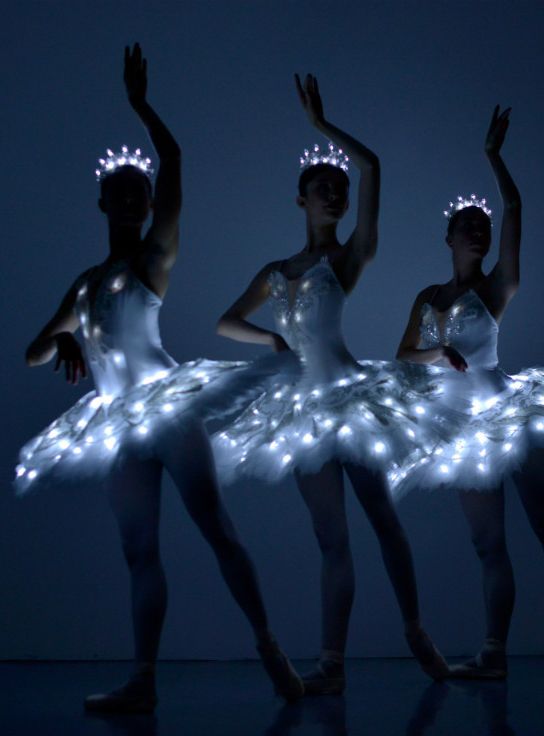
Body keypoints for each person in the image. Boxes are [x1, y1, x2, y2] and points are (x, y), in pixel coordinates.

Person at [18, 44, 303, 711]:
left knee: (214, 526)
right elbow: (33, 350)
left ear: (146, 206)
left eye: (135, 191)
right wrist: (63, 339)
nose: (125, 197)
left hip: (166, 409)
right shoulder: (84, 285)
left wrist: (143, 108)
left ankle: (271, 650)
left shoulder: (151, 259)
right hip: (118, 423)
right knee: (139, 552)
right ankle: (143, 679)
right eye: (115, 191)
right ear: (100, 203)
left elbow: (175, 163)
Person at [213, 73, 450, 695]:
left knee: (382, 519)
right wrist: (269, 340)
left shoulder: (345, 259)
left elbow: (370, 165)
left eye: (339, 190)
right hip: (303, 410)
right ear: (301, 199)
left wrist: (324, 129)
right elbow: (225, 321)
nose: (334, 195)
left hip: (351, 397)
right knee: (331, 538)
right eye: (323, 188)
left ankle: (415, 629)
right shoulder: (276, 271)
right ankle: (332, 665)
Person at [395, 106, 542, 678]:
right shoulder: (427, 295)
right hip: (464, 426)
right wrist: (438, 354)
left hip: (507, 411)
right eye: (469, 224)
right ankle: (494, 655)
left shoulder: (497, 287)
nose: (479, 229)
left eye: (483, 225)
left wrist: (494, 159)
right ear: (449, 237)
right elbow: (404, 354)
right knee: (488, 543)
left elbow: (516, 209)